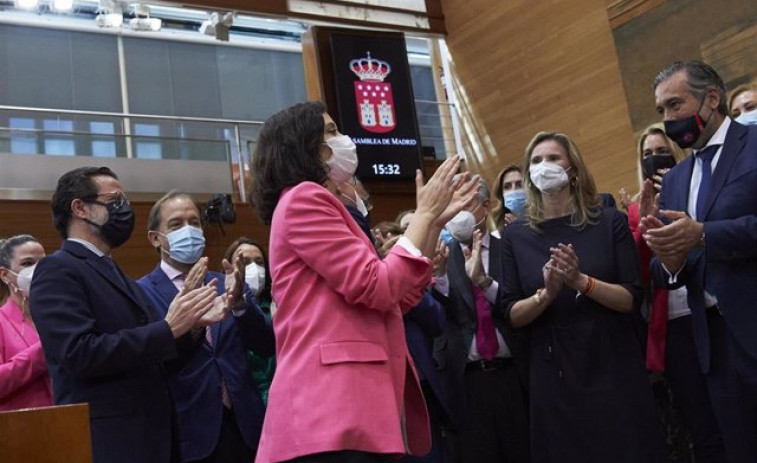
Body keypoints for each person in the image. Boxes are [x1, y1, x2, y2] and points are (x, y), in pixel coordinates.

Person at [250, 101, 477, 463]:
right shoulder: (304, 200)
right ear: (306, 147)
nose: (344, 139)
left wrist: (432, 225)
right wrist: (424, 214)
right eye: (331, 131)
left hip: (356, 409)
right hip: (328, 411)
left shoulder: (322, 204)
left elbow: (392, 300)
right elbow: (378, 285)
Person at [30, 166, 219, 463]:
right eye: (115, 199)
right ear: (80, 208)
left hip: (152, 438)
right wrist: (168, 329)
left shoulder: (116, 272)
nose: (125, 208)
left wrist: (190, 328)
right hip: (112, 441)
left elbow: (152, 362)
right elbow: (80, 353)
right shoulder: (58, 269)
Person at [501, 132, 664, 463]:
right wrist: (546, 294)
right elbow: (512, 314)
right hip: (553, 369)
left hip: (612, 360)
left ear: (573, 168)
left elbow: (630, 298)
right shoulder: (514, 235)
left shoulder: (609, 222)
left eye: (553, 159)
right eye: (535, 161)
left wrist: (581, 281)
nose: (543, 167)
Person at [641, 60, 757, 462]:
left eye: (676, 105)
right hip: (711, 346)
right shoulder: (674, 179)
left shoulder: (754, 143)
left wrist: (704, 235)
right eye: (661, 111)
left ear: (711, 98)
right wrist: (667, 257)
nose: (669, 118)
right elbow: (665, 269)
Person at [137, 192, 275, 463]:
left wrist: (240, 307)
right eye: (176, 225)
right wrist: (191, 327)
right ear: (155, 238)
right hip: (187, 429)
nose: (188, 230)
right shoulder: (140, 294)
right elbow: (149, 363)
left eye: (194, 222)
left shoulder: (227, 282)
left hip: (245, 425)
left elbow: (266, 344)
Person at [627, 125, 726, 462]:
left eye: (661, 150)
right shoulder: (635, 209)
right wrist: (646, 221)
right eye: (647, 155)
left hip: (716, 309)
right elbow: (640, 271)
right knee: (700, 418)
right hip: (672, 321)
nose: (655, 159)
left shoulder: (699, 184)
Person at [433, 175, 530, 463]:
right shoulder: (441, 258)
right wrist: (437, 278)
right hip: (467, 381)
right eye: (453, 204)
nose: (457, 211)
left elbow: (519, 306)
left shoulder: (511, 250)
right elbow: (439, 319)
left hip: (515, 374)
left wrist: (484, 282)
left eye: (465, 203)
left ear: (485, 206)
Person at [0, 235, 53, 411]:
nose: (37, 270)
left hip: (69, 422)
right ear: (4, 274)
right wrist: (42, 352)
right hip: (20, 428)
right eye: (27, 263)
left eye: (43, 263)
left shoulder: (60, 317)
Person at [224, 237, 276, 403]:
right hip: (240, 401)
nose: (254, 268)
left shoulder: (280, 307)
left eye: (259, 262)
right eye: (245, 262)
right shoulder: (221, 312)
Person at [490, 164, 525, 237]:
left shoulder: (545, 219)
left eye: (519, 184)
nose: (513, 190)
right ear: (501, 194)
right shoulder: (497, 235)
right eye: (507, 186)